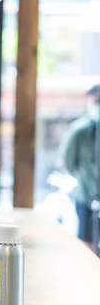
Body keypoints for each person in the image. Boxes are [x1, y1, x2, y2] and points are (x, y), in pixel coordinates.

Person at [59, 84, 100, 250]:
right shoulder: (80, 131)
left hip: (86, 194)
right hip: (86, 196)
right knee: (86, 242)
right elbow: (68, 162)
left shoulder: (79, 130)